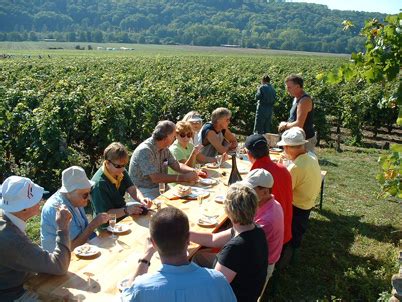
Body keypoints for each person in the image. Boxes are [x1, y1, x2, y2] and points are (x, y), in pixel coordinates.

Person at [121, 207, 236, 302]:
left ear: (153, 243)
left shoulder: (141, 289)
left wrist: (145, 257)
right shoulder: (218, 281)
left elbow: (127, 293)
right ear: (188, 240)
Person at [190, 183, 268, 302]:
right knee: (198, 256)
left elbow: (214, 288)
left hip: (235, 297)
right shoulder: (255, 229)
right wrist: (185, 233)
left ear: (229, 211)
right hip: (248, 290)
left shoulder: (235, 248)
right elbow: (212, 239)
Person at [0, 176, 72, 301]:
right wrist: (63, 228)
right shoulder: (11, 239)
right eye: (36, 198)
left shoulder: (6, 220)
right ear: (24, 208)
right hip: (15, 294)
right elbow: (60, 267)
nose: (41, 200)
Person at [41, 166, 110, 252]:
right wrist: (94, 224)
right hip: (61, 261)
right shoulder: (58, 209)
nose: (88, 198)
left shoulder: (74, 199)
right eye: (85, 195)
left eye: (89, 193)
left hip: (81, 250)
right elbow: (72, 247)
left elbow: (84, 232)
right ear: (69, 192)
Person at [277, 127, 321, 258]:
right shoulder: (311, 157)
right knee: (299, 230)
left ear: (290, 147)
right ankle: (293, 249)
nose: (283, 150)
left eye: (284, 147)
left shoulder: (295, 168)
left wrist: (281, 170)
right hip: (308, 203)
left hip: (297, 206)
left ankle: (286, 255)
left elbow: (284, 191)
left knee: (292, 231)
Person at [244, 134, 293, 249]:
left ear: (248, 154)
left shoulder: (257, 177)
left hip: (267, 239)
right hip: (284, 231)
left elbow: (245, 208)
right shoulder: (283, 169)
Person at [128, 121, 199, 200]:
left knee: (190, 197)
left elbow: (176, 165)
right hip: (144, 191)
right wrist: (183, 178)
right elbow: (155, 178)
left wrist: (194, 171)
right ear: (166, 137)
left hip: (161, 187)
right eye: (173, 136)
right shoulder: (145, 151)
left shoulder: (164, 148)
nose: (174, 138)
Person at [241, 169, 284, 283]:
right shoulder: (270, 204)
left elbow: (239, 242)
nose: (245, 193)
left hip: (259, 267)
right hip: (258, 256)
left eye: (249, 190)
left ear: (265, 192)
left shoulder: (266, 221)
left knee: (200, 257)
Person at [91, 142, 149, 220]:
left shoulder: (120, 171)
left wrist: (142, 199)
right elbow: (104, 216)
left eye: (124, 165)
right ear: (107, 163)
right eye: (118, 166)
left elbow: (132, 189)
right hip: (107, 225)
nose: (122, 169)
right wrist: (126, 210)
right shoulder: (99, 184)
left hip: (122, 214)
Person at [278, 75, 317, 153]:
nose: (287, 90)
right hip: (297, 139)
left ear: (298, 87)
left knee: (304, 163)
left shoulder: (304, 100)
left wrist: (285, 125)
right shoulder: (296, 98)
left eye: (289, 87)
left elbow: (299, 124)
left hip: (304, 141)